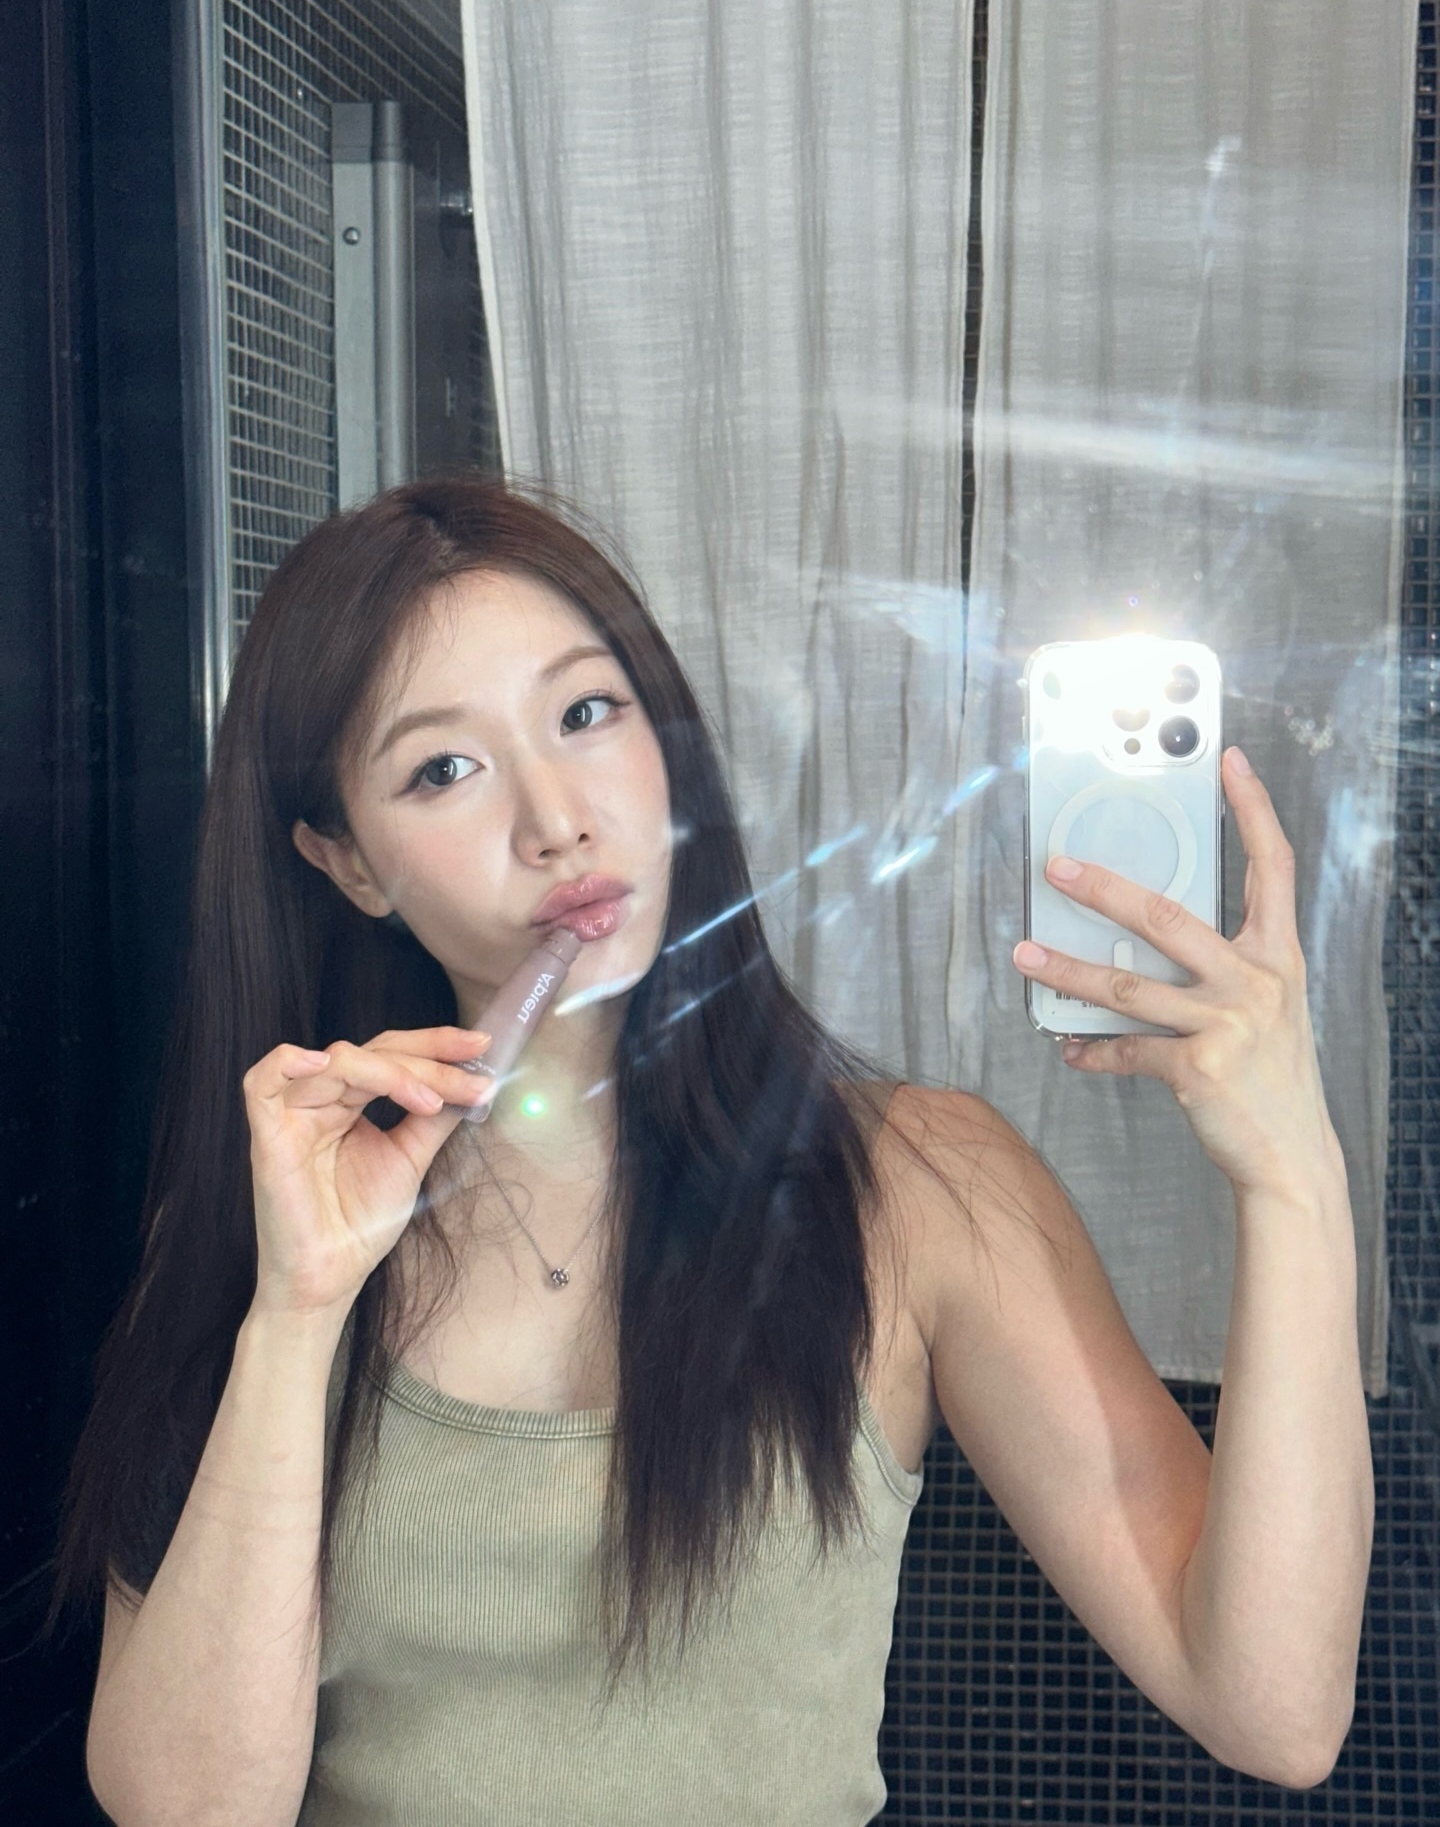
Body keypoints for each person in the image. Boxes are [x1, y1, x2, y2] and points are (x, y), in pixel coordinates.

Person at [54, 479, 1371, 1825]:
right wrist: (298, 1313)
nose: (556, 818)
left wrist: (1293, 1173)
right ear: (348, 864)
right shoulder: (289, 1222)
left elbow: (1275, 1711)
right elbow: (186, 1812)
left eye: (586, 713)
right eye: (443, 769)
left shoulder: (924, 1190)